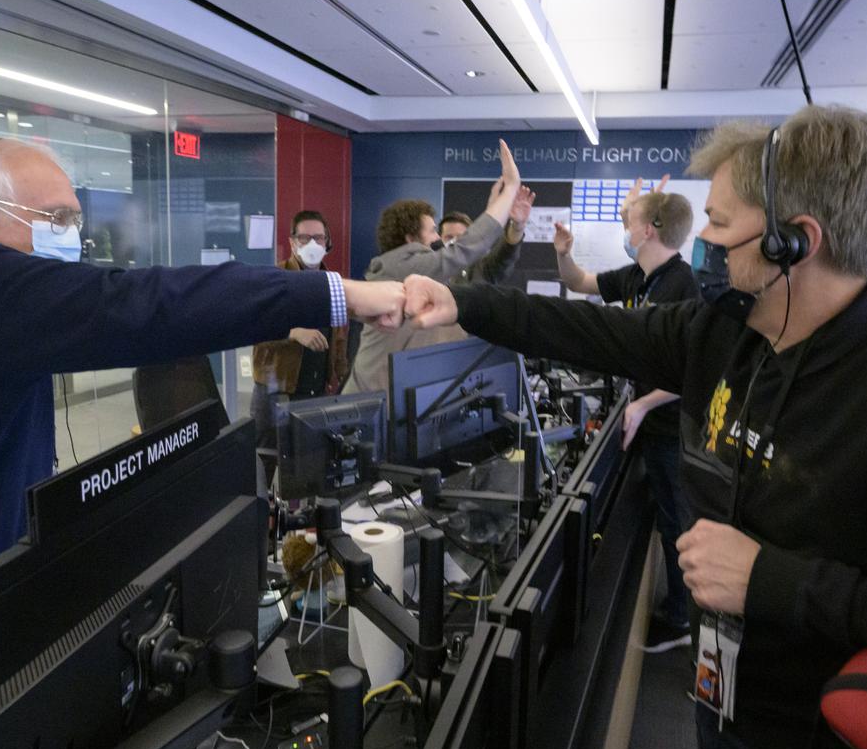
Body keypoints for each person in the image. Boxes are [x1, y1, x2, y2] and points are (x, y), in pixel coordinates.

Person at [402, 105, 867, 749]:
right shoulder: (728, 334)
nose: (708, 244)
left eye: (721, 224)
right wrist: (458, 301)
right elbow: (578, 328)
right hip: (725, 713)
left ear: (795, 242)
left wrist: (770, 580)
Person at [0, 138, 405, 688]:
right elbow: (138, 306)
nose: (72, 239)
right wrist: (336, 294)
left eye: (75, 220)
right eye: (53, 220)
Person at [556, 182, 701, 652]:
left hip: (670, 427)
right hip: (648, 421)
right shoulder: (638, 275)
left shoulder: (683, 286)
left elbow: (692, 371)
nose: (623, 222)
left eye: (628, 218)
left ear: (647, 230)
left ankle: (681, 621)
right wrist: (563, 252)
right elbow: (578, 282)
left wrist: (640, 404)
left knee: (677, 522)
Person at [344, 139, 530, 394]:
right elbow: (465, 250)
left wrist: (504, 217)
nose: (437, 239)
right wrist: (509, 191)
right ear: (410, 238)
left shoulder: (424, 271)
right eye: (432, 231)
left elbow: (481, 256)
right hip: (375, 406)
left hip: (403, 403)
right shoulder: (399, 269)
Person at [251, 210, 350, 483]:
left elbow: (339, 337)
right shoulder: (274, 277)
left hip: (315, 392)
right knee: (262, 468)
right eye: (305, 238)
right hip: (276, 392)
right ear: (292, 242)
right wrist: (293, 332)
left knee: (308, 471)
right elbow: (254, 327)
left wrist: (337, 376)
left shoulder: (333, 283)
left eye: (318, 238)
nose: (312, 245)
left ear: (328, 243)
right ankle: (261, 522)